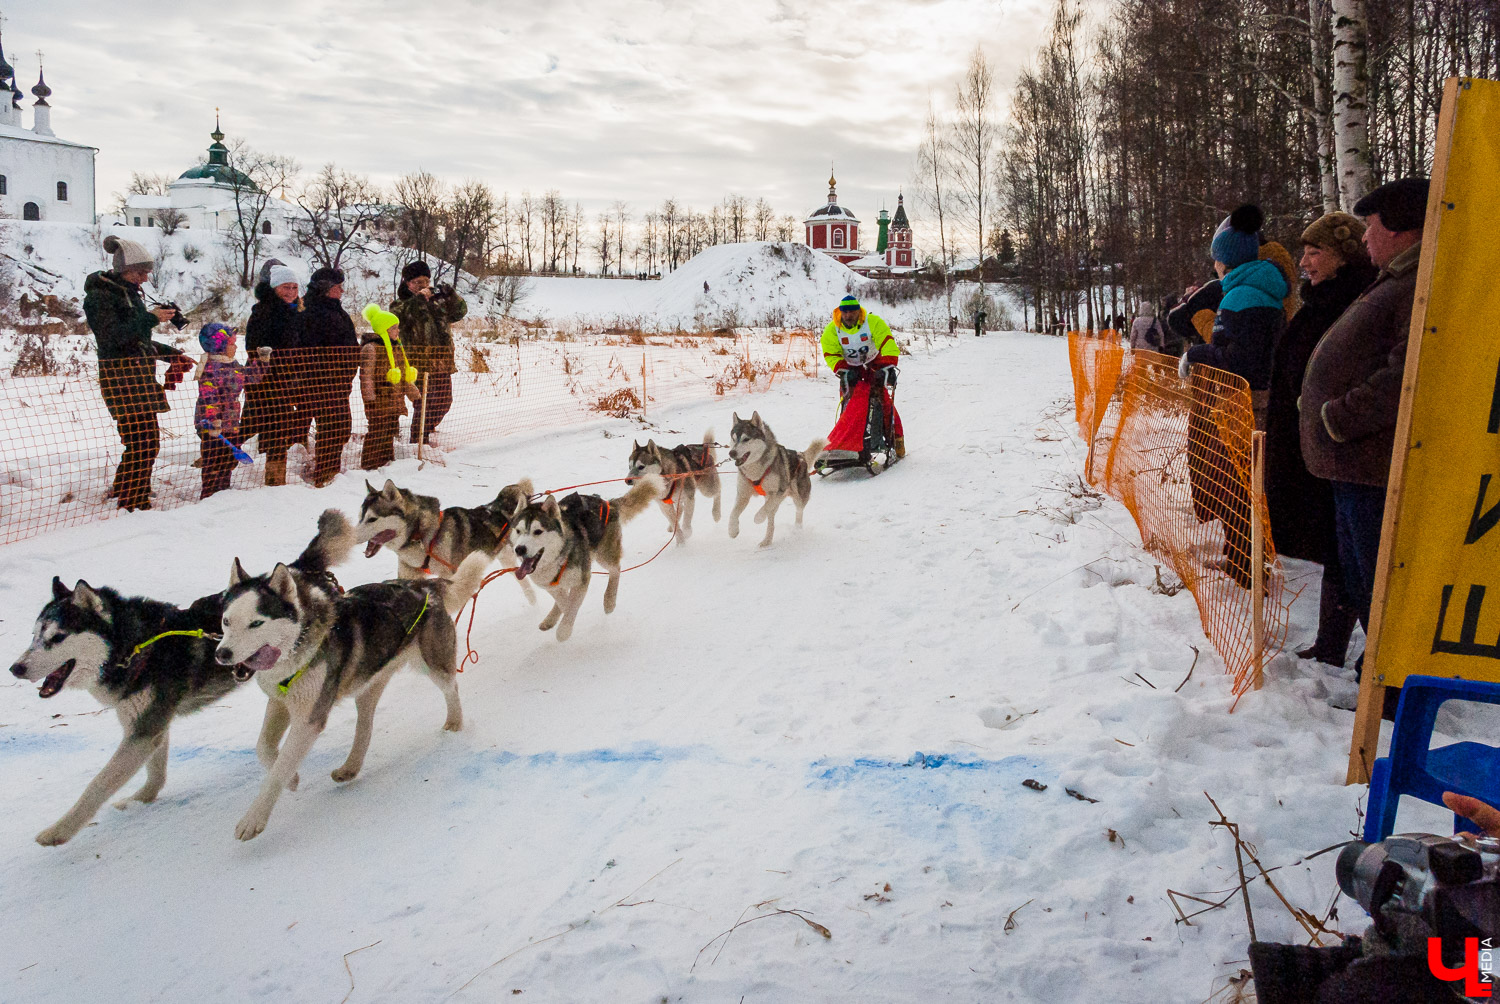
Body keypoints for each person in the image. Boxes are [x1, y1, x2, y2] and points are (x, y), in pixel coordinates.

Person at [1300, 177, 1430, 648]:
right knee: (1358, 574)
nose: (1366, 237)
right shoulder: (1395, 279)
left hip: (1370, 461)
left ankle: (1392, 683)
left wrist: (1337, 416)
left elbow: (1406, 374)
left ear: (1401, 230)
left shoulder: (1417, 284)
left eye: (1372, 226)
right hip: (1353, 462)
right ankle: (1377, 669)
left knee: (1379, 582)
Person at [1266, 212, 1378, 665]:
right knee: (1339, 549)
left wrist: (1329, 417)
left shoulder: (1353, 300)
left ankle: (1381, 660)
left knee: (1354, 554)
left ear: (1343, 255)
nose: (1305, 260)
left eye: (1316, 251)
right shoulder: (1322, 298)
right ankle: (1331, 644)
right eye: (1305, 251)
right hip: (1313, 441)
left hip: (1340, 443)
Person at [1181, 204, 1289, 590]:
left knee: (1238, 484)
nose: (1213, 266)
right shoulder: (1249, 290)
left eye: (1216, 258)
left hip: (1246, 403)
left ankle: (1246, 563)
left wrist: (1197, 353)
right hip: (1244, 400)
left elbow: (1243, 359)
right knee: (1239, 482)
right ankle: (1241, 556)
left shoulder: (1245, 296)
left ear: (1225, 259)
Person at [82, 235, 192, 512]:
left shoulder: (128, 294)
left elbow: (139, 340)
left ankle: (124, 488)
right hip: (120, 378)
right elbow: (113, 338)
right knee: (143, 441)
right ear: (122, 269)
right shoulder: (99, 298)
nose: (144, 278)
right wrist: (152, 317)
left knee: (142, 441)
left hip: (138, 377)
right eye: (139, 272)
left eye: (146, 272)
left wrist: (172, 355)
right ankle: (133, 501)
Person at [243, 261, 305, 486]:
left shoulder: (294, 312)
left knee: (279, 429)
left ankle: (275, 478)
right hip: (265, 381)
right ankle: (216, 463)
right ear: (274, 288)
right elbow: (253, 347)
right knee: (250, 426)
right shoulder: (264, 312)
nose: (291, 292)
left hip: (286, 381)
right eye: (285, 287)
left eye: (294, 287)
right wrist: (272, 360)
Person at [391, 260, 466, 445]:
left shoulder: (437, 303)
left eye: (425, 281)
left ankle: (428, 427)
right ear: (407, 284)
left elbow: (459, 312)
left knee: (444, 401)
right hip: (418, 362)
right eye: (417, 282)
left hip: (441, 361)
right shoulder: (400, 304)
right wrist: (419, 301)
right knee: (423, 403)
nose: (423, 286)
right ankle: (418, 441)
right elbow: (402, 318)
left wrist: (451, 295)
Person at [820, 295, 903, 461]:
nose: (849, 316)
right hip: (850, 368)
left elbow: (887, 342)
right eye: (845, 313)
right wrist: (842, 370)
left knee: (883, 402)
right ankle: (847, 443)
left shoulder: (873, 322)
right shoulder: (832, 330)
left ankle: (896, 440)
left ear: (859, 311)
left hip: (875, 364)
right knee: (850, 403)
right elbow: (830, 353)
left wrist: (888, 367)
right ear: (840, 313)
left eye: (852, 312)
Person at [193, 323, 270, 499]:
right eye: (232, 344)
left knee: (228, 459)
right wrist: (212, 420)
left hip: (231, 421)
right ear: (219, 346)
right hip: (212, 426)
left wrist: (262, 361)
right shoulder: (211, 368)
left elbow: (250, 377)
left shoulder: (232, 364)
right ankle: (210, 495)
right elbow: (208, 395)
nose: (235, 347)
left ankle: (223, 494)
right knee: (214, 460)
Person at [299, 266, 360, 487]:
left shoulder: (332, 309)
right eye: (338, 287)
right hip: (322, 382)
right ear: (326, 289)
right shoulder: (312, 311)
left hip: (338, 383)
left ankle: (327, 472)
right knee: (335, 428)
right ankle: (324, 475)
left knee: (338, 428)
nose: (342, 291)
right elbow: (309, 348)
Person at [358, 304, 422, 470]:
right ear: (384, 329)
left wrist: (413, 393)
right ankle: (370, 465)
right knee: (377, 432)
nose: (397, 331)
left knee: (389, 432)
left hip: (394, 400)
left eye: (397, 328)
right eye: (394, 328)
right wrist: (370, 399)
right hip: (378, 400)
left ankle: (386, 462)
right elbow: (366, 377)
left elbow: (402, 375)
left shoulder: (396, 348)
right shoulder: (371, 349)